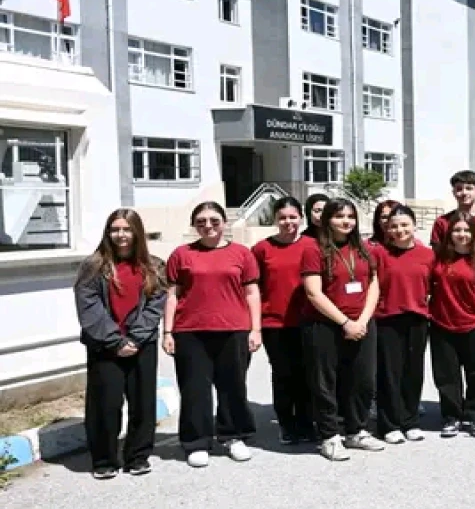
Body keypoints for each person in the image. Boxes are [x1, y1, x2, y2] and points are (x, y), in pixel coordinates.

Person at [162, 202, 261, 468]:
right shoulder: (181, 254)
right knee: (195, 389)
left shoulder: (242, 254)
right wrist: (167, 331)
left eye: (214, 220)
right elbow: (172, 295)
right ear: (194, 224)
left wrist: (256, 329)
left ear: (224, 222)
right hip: (190, 331)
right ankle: (197, 441)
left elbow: (252, 293)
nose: (208, 226)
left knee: (233, 386)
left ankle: (233, 436)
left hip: (234, 329)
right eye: (202, 221)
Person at [75, 209, 167, 479]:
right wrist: (115, 340)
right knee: (105, 404)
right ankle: (104, 459)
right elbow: (89, 307)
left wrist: (136, 338)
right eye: (115, 229)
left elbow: (156, 303)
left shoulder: (154, 266)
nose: (121, 235)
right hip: (105, 347)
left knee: (143, 403)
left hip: (142, 345)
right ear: (108, 233)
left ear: (137, 232)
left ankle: (138, 457)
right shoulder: (93, 266)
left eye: (127, 229)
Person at [301, 197, 384, 461]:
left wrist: (362, 320)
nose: (345, 221)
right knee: (325, 382)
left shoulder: (362, 248)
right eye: (339, 216)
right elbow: (313, 293)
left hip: (362, 323)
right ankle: (330, 435)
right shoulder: (314, 250)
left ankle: (355, 430)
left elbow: (373, 284)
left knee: (363, 380)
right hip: (325, 325)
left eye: (350, 216)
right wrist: (345, 323)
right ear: (327, 220)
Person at [251, 197, 315, 445]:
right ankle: (287, 425)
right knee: (284, 375)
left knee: (309, 373)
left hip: (308, 321)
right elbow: (252, 287)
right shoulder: (261, 249)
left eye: (292, 217)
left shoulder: (313, 245)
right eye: (282, 218)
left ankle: (307, 423)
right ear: (275, 220)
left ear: (301, 218)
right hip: (274, 323)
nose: (288, 222)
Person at [429, 213, 475, 438]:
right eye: (457, 230)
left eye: (466, 231)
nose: (462, 235)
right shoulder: (438, 258)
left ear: (474, 234)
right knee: (446, 374)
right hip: (442, 322)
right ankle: (451, 416)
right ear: (450, 233)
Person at [372, 205, 434, 443]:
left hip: (418, 319)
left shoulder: (427, 255)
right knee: (389, 373)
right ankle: (389, 424)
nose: (399, 230)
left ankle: (410, 421)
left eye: (404, 225)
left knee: (413, 372)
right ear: (387, 228)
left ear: (414, 226)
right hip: (387, 319)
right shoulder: (379, 254)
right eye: (394, 226)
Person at [430, 170, 475, 247]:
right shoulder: (442, 222)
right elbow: (437, 253)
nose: (464, 193)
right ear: (453, 192)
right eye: (459, 189)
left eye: (469, 188)